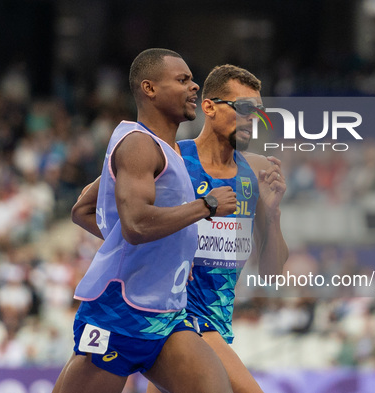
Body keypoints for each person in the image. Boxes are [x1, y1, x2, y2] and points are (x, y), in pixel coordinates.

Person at [73, 64, 289, 392]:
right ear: (209, 106)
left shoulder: (256, 172)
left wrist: (272, 217)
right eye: (244, 109)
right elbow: (85, 209)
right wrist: (154, 248)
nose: (253, 119)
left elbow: (273, 273)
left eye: (259, 112)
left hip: (210, 323)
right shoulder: (170, 157)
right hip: (181, 316)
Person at [53, 49, 235, 393]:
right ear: (149, 89)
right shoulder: (138, 145)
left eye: (192, 79)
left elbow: (84, 209)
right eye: (182, 80)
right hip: (119, 314)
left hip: (166, 314)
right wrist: (206, 205)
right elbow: (135, 225)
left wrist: (139, 246)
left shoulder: (170, 150)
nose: (195, 86)